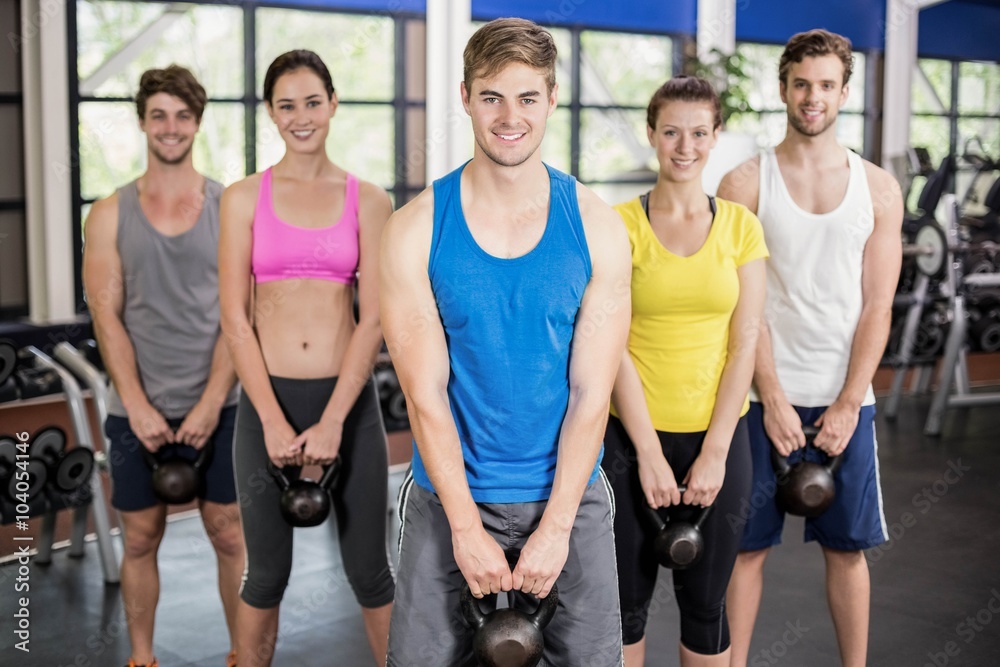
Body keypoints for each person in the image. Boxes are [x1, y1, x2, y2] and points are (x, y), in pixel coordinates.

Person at [381, 17, 632, 666]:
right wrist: (465, 526)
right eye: (492, 96)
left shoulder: (599, 228)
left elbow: (590, 392)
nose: (509, 116)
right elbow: (424, 392)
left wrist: (554, 527)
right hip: (447, 498)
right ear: (465, 97)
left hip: (570, 497)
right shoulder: (413, 229)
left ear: (552, 98)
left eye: (527, 97)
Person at [719, 30, 902, 667]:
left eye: (827, 85)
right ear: (783, 88)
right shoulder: (744, 183)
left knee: (848, 550)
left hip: (844, 399)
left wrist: (851, 402)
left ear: (844, 92)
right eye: (802, 83)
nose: (813, 97)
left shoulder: (878, 189)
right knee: (744, 550)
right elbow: (745, 304)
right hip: (758, 399)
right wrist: (770, 395)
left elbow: (878, 305)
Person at [218, 50, 394, 667]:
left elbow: (372, 318)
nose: (301, 116)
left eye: (312, 102)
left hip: (349, 408)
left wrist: (333, 421)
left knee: (372, 575)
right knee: (264, 578)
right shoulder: (242, 199)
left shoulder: (369, 200)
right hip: (268, 405)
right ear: (270, 112)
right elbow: (235, 318)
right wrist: (268, 418)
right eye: (286, 104)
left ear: (333, 104)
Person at [602, 76, 768, 667]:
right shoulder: (618, 225)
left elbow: (744, 341)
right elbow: (611, 344)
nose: (684, 145)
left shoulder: (742, 228)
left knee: (705, 607)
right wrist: (646, 452)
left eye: (699, 132)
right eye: (670, 131)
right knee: (624, 610)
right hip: (629, 440)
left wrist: (717, 451)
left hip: (720, 439)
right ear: (651, 134)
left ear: (716, 136)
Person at [83, 65, 244, 667]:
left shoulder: (229, 207)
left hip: (221, 405)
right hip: (136, 410)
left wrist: (209, 402)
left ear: (197, 122)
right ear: (143, 122)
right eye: (158, 115)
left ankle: (240, 654)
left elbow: (239, 314)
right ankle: (142, 657)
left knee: (229, 534)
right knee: (142, 537)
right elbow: (108, 319)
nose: (170, 127)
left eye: (181, 115)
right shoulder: (107, 214)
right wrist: (139, 405)